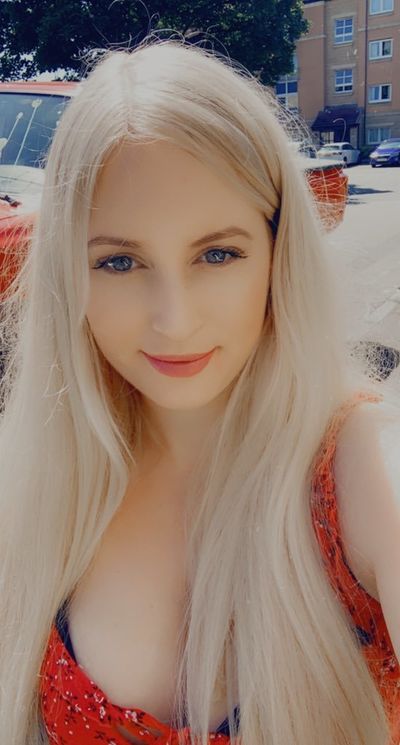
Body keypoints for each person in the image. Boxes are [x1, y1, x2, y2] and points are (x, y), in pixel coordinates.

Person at [0, 36, 399, 745]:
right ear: (68, 273)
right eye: (119, 262)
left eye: (218, 253)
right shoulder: (45, 478)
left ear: (278, 252)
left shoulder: (362, 469)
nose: (174, 320)